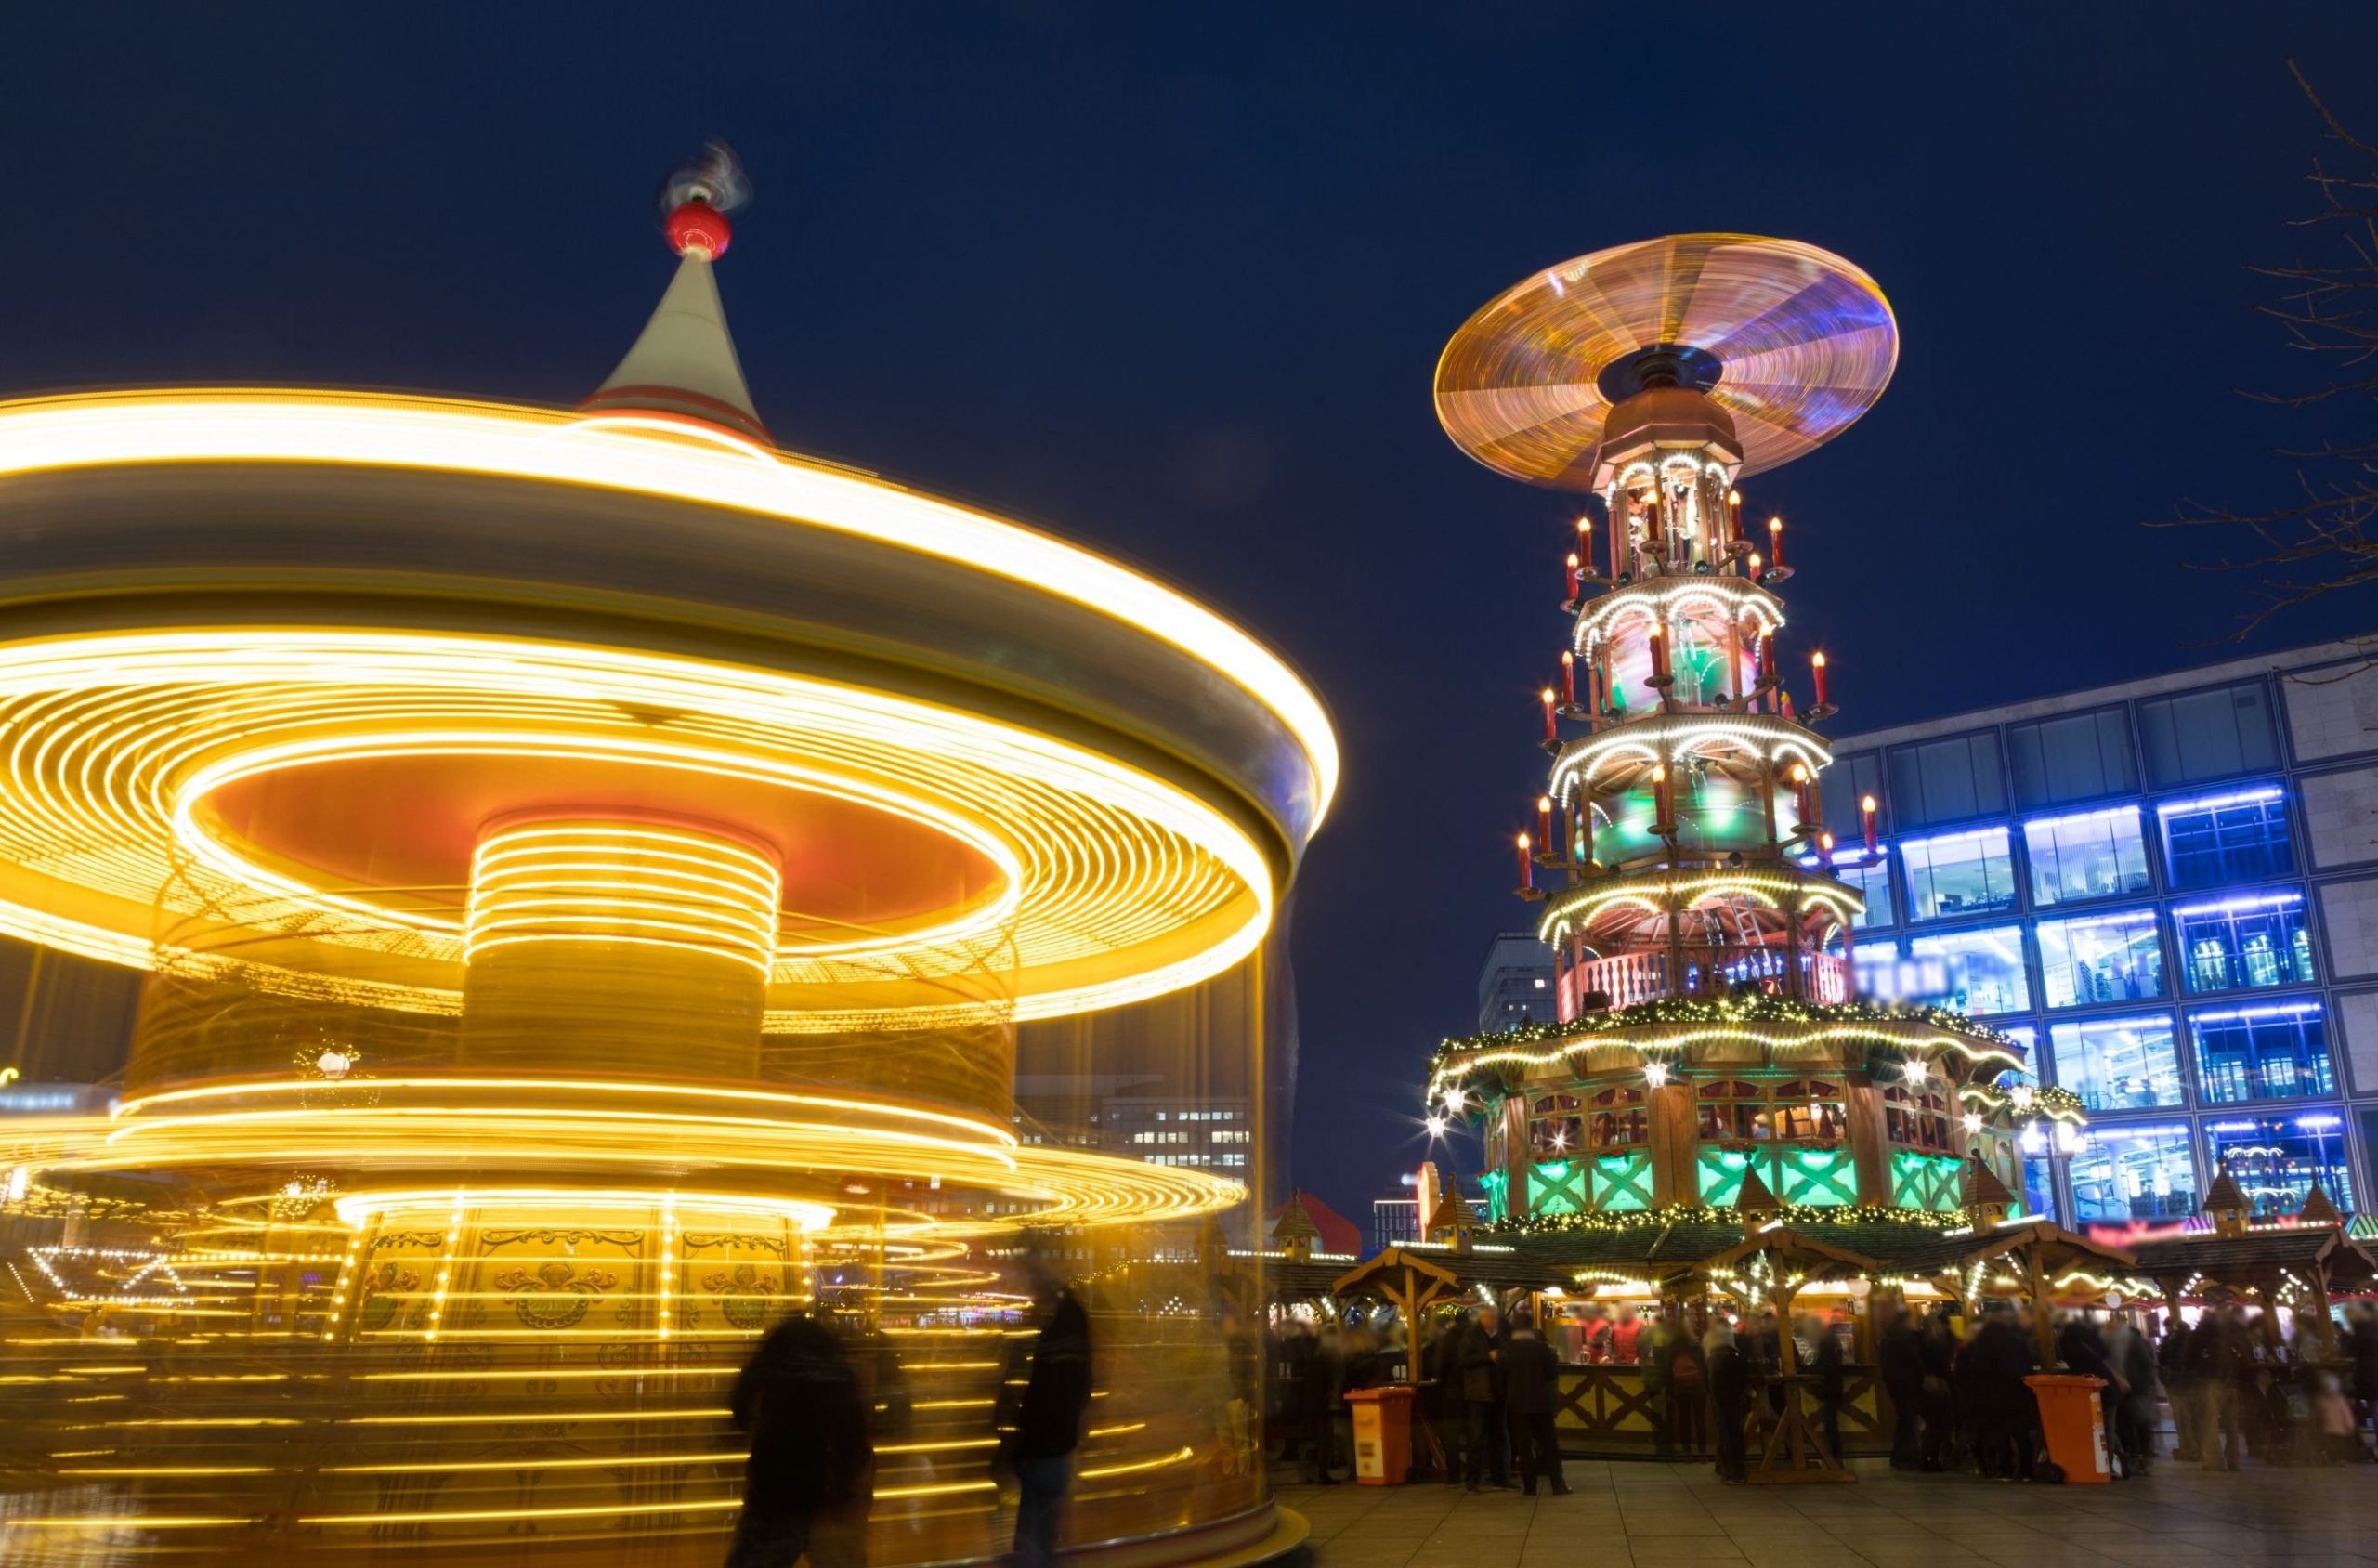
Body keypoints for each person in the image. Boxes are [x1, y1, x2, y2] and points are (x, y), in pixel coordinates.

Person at [726, 1311, 873, 1568]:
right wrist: (845, 1487)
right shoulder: (837, 1373)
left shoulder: (772, 1368)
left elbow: (739, 1406)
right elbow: (853, 1437)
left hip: (773, 1489)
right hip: (823, 1493)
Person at [999, 1267, 1093, 1568]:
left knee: (1032, 1530)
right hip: (1055, 1445)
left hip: (1041, 1446)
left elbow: (1039, 1390)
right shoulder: (1069, 1337)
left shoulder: (1051, 1340)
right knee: (1043, 1528)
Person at [1499, 1309, 1568, 1496]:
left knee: (1524, 1447)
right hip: (1540, 1403)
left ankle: (1530, 1487)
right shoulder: (1541, 1348)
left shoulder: (1507, 1349)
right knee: (1549, 1445)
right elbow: (1551, 1374)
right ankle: (1557, 1484)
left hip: (1517, 1404)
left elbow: (1501, 1375)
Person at [1457, 1305, 1516, 1490]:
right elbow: (1463, 1361)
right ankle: (1472, 1479)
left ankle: (1501, 1476)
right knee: (1477, 1437)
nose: (1493, 1320)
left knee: (1500, 1437)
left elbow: (1508, 1358)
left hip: (1498, 1393)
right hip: (1479, 1393)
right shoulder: (1471, 1336)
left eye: (1495, 1317)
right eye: (1490, 1317)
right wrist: (1487, 1357)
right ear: (1482, 1319)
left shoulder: (1501, 1336)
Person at [2185, 1304, 2249, 1471]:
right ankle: (2234, 1460)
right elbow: (2244, 1358)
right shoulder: (2227, 1335)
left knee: (2209, 1423)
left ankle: (2214, 1461)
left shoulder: (2197, 1336)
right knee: (2231, 1424)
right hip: (2229, 1383)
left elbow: (2187, 1360)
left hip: (2208, 1385)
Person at [2103, 1315, 2158, 1478]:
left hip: (2135, 1390)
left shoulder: (2132, 1342)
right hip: (2124, 1390)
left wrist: (2140, 1384)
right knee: (2129, 1424)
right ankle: (2135, 1458)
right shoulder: (2113, 1344)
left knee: (2139, 1424)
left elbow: (2146, 1365)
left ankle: (2141, 1459)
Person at [1878, 1303, 1921, 1470]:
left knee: (1905, 1420)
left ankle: (1901, 1455)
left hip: (1898, 1386)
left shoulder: (1889, 1341)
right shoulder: (1905, 1341)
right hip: (1906, 1385)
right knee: (1908, 1420)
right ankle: (1907, 1455)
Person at [1707, 1321, 1750, 1483]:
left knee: (1726, 1437)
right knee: (1736, 1436)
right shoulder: (1737, 1357)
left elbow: (1712, 1383)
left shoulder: (1714, 1358)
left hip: (1721, 1403)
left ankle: (1730, 1471)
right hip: (1736, 1401)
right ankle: (1737, 1471)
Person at [1916, 1307, 1958, 1472]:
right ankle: (1932, 1459)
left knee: (1932, 1425)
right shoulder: (1936, 1344)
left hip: (1927, 1388)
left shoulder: (1922, 1342)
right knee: (1937, 1425)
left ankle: (1926, 1459)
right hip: (1938, 1388)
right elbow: (1942, 1367)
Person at [1805, 1312, 1845, 1462]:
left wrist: (1810, 1369)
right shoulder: (1827, 1340)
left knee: (1830, 1423)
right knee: (1830, 1422)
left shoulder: (1825, 1343)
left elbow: (1827, 1366)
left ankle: (1834, 1456)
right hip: (1832, 1387)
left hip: (1830, 1388)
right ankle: (1834, 1455)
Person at [1667, 1319, 1708, 1455]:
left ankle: (1687, 1450)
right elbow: (1704, 1367)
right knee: (1699, 1418)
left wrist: (1669, 1390)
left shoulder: (1673, 1347)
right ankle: (1702, 1450)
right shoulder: (1696, 1345)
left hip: (1680, 1386)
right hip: (1698, 1386)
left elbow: (1668, 1370)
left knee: (1684, 1419)